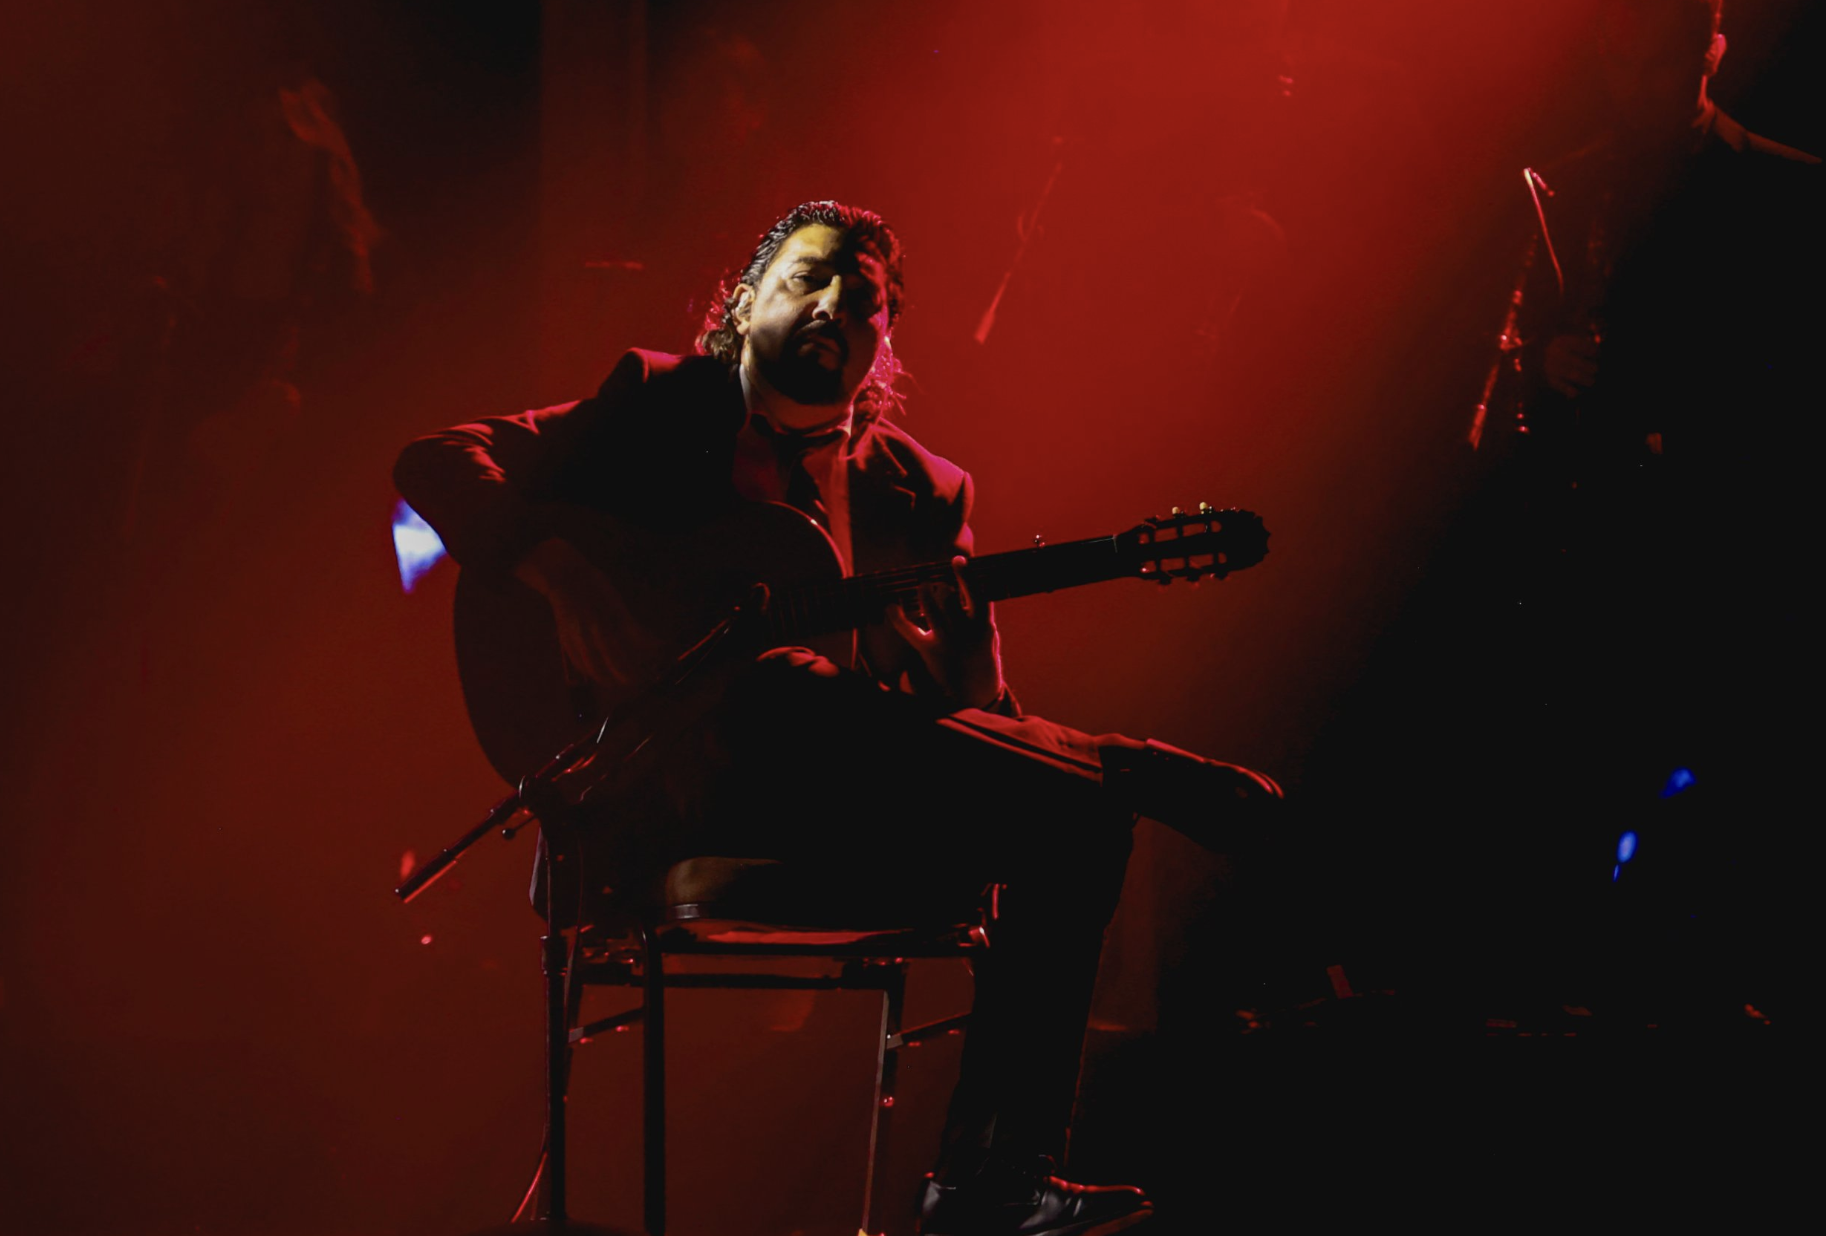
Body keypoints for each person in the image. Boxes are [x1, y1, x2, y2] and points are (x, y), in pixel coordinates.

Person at [395, 200, 1283, 1235]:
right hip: (656, 791)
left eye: (862, 303)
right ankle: (1125, 762)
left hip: (833, 799)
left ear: (886, 342)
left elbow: (973, 738)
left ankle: (987, 1183)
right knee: (769, 680)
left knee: (1074, 819)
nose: (830, 307)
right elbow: (433, 456)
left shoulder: (925, 492)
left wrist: (961, 656)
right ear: (743, 305)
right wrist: (553, 569)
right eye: (805, 280)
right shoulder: (655, 400)